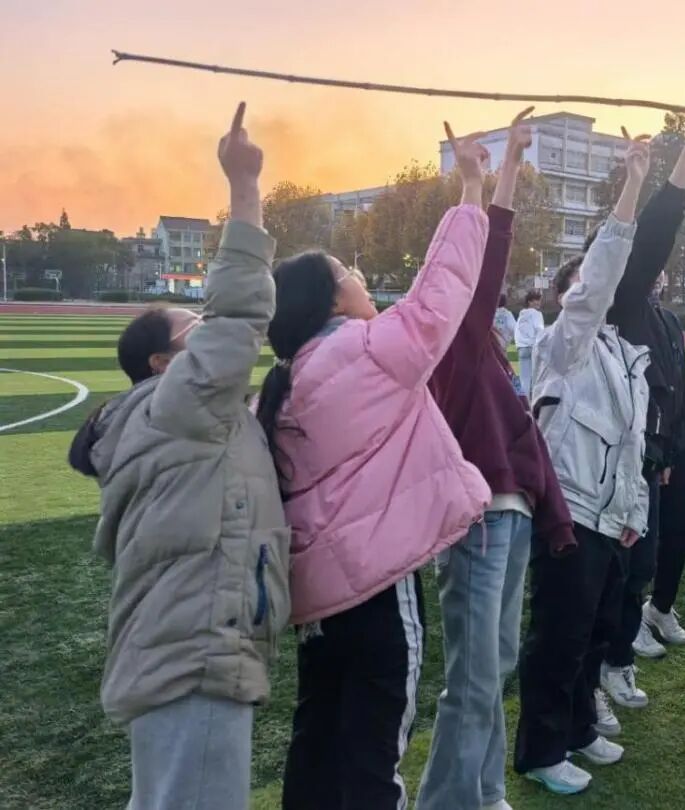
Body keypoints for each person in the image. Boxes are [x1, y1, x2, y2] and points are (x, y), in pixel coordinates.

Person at [256, 123, 492, 809]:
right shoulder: (367, 349)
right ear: (334, 299)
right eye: (349, 273)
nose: (361, 279)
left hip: (319, 601)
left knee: (318, 740)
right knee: (373, 754)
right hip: (376, 588)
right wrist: (470, 189)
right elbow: (443, 289)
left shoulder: (286, 381)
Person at [67, 103, 290, 810]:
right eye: (195, 326)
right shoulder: (178, 407)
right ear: (165, 364)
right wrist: (245, 186)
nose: (210, 331)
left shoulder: (185, 420)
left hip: (190, 644)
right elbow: (240, 311)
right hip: (193, 650)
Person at [417, 109, 575, 810]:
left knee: (494, 665)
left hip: (509, 514)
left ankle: (483, 791)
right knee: (475, 676)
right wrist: (487, 178)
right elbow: (488, 252)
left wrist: (502, 165)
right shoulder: (452, 336)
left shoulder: (482, 349)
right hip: (480, 518)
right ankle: (449, 802)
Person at [513, 131, 651, 796]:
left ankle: (577, 729)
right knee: (559, 637)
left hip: (610, 515)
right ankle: (541, 749)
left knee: (595, 632)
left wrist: (633, 512)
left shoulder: (626, 356)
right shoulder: (563, 344)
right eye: (577, 287)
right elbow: (596, 283)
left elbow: (633, 444)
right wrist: (633, 187)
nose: (590, 293)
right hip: (569, 511)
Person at [601, 109, 685, 709]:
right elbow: (650, 235)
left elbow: (676, 386)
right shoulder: (612, 307)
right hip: (615, 462)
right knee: (614, 572)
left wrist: (679, 444)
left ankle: (623, 652)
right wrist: (661, 168)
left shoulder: (661, 318)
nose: (657, 268)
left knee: (643, 561)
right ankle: (602, 668)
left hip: (655, 457)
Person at [635, 270, 685, 657]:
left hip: (675, 444)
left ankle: (659, 608)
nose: (657, 275)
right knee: (637, 540)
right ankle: (628, 622)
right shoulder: (623, 316)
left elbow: (683, 382)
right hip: (642, 448)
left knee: (683, 528)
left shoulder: (669, 319)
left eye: (662, 268)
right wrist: (657, 452)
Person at [514, 289, 545, 396]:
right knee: (536, 377)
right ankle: (535, 399)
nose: (538, 302)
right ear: (529, 302)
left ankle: (524, 401)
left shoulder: (521, 316)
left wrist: (519, 345)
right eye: (535, 300)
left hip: (522, 348)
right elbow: (539, 329)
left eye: (539, 300)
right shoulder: (537, 314)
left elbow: (517, 331)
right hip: (533, 347)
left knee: (524, 378)